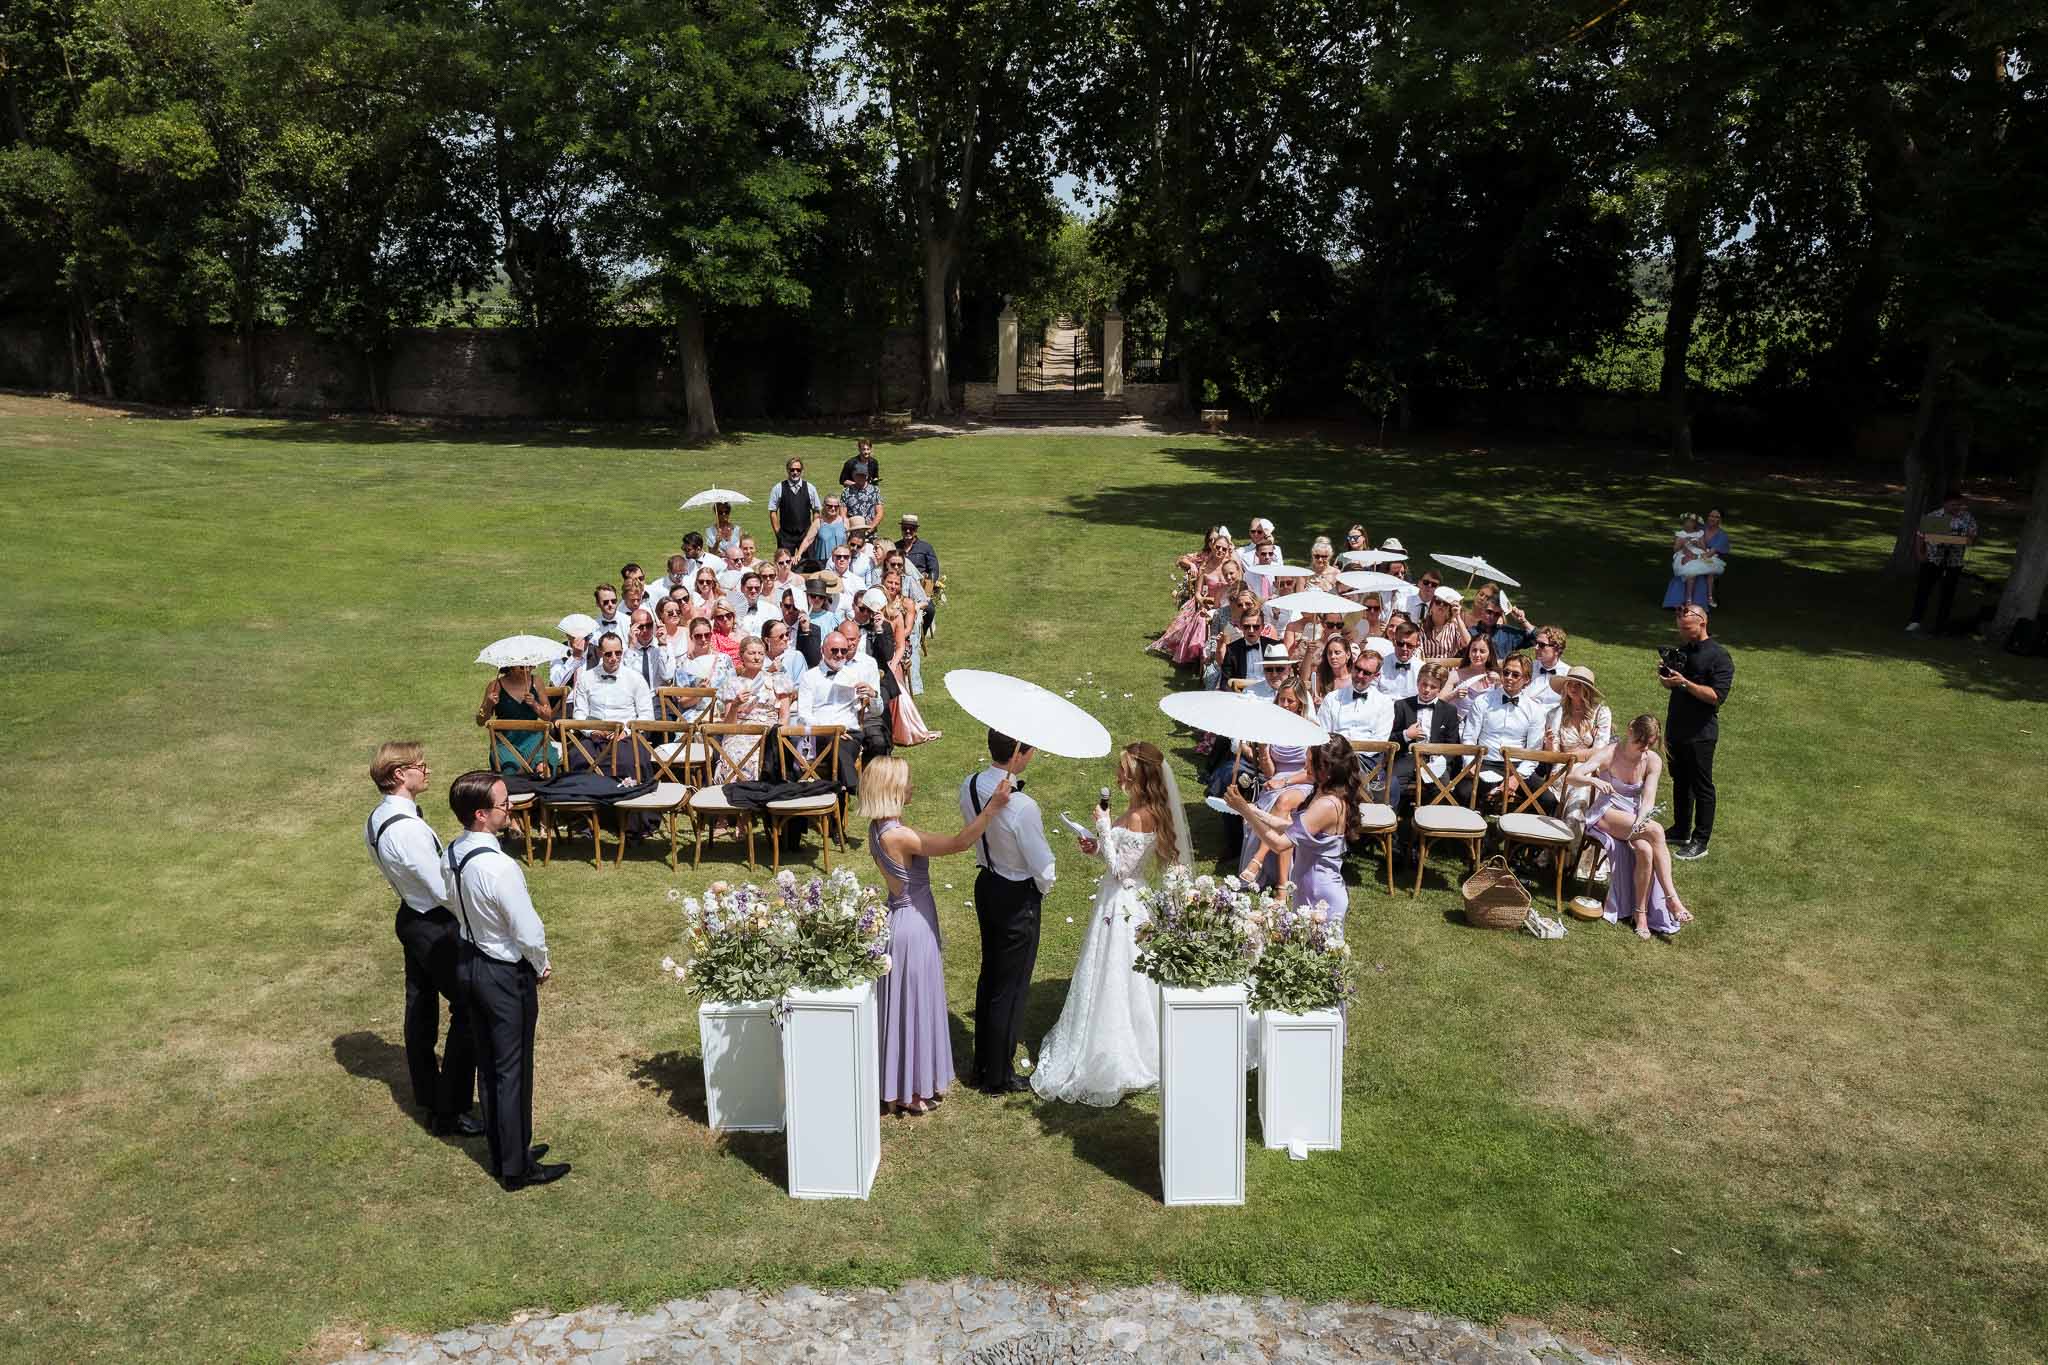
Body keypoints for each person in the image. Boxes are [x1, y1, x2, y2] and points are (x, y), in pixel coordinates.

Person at [1033, 742, 1192, 1106]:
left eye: (1123, 769)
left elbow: (1122, 871)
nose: (1118, 775)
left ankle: (1122, 1048)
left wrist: (1104, 829)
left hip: (1124, 904)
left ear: (1138, 776)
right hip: (1114, 899)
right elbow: (1118, 857)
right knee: (1108, 970)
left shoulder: (1142, 815)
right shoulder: (1135, 809)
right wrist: (1097, 844)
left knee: (1119, 974)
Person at [863, 758, 1010, 1116]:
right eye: (908, 782)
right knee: (912, 1004)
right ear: (893, 789)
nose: (913, 787)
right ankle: (908, 1090)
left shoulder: (878, 828)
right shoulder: (898, 835)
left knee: (905, 1005)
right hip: (912, 926)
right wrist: (992, 808)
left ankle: (900, 1083)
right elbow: (959, 843)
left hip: (902, 918)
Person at [445, 770, 568, 1190]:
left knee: (491, 1065)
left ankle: (506, 1149)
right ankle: (516, 1168)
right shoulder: (500, 868)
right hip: (501, 972)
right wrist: (541, 963)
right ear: (481, 815)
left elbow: (451, 903)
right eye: (503, 803)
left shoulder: (454, 852)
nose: (511, 806)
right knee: (512, 1069)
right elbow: (527, 930)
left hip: (469, 962)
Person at [365, 743, 478, 1136]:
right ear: (399, 775)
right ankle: (450, 1108)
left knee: (420, 1010)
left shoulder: (376, 818)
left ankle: (429, 1094)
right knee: (470, 1008)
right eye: (420, 766)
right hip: (433, 924)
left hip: (411, 917)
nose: (427, 771)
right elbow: (442, 889)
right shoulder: (408, 829)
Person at [960, 730, 1056, 1094]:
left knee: (991, 975)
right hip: (1016, 894)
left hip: (987, 883)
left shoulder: (969, 784)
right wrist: (1043, 886)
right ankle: (997, 1075)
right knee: (1010, 987)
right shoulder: (1023, 806)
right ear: (1020, 754)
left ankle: (982, 1063)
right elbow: (1043, 867)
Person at [1569, 716, 1694, 939]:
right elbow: (1573, 777)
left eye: (1649, 744)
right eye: (1641, 742)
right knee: (1656, 831)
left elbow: (1648, 800)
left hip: (1634, 815)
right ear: (1630, 731)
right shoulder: (1610, 753)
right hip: (1606, 813)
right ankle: (1672, 899)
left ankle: (1641, 914)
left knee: (1646, 850)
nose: (1644, 748)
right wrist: (1593, 781)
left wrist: (1639, 821)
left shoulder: (1653, 760)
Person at [1228, 737, 1369, 926]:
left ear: (1325, 768)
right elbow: (1293, 829)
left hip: (1321, 896)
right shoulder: (1325, 794)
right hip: (1308, 889)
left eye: (1309, 762)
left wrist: (1245, 811)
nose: (1305, 766)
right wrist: (1255, 811)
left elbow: (1280, 844)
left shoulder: (1328, 805)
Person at [1662, 603, 1733, 860]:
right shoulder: (1682, 651)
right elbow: (1672, 685)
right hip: (1676, 728)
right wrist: (1667, 678)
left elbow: (1716, 696)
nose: (1682, 632)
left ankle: (1700, 840)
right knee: (1680, 781)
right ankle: (1681, 829)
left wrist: (1685, 683)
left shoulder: (1719, 657)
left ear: (1702, 622)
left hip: (1701, 733)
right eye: (1680, 627)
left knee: (1702, 786)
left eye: (1687, 627)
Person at [794, 625, 891, 779]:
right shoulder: (809, 677)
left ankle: (843, 788)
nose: (839, 655)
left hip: (849, 733)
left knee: (840, 747)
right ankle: (854, 788)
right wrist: (830, 730)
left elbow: (876, 712)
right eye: (834, 650)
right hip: (821, 733)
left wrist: (873, 695)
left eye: (843, 651)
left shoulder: (854, 675)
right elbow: (804, 715)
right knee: (836, 745)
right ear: (822, 650)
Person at [1461, 653, 1547, 803]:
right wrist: (1470, 764)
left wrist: (1516, 779)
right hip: (1484, 761)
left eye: (1515, 675)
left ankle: (1518, 824)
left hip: (1516, 764)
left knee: (1547, 800)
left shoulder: (1535, 710)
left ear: (1526, 680)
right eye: (1506, 672)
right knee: (1463, 793)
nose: (1509, 677)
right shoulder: (1482, 701)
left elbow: (1533, 752)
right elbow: (1469, 738)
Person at [567, 633, 654, 778]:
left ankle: (627, 794)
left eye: (618, 653)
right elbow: (579, 714)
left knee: (628, 762)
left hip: (626, 737)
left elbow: (647, 715)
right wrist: (592, 731)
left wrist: (625, 731)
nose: (614, 658)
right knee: (577, 757)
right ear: (600, 653)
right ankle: (587, 795)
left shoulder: (635, 678)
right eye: (608, 654)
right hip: (594, 736)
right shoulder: (586, 678)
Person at [1388, 662, 1463, 812]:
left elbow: (1453, 744)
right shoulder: (1402, 706)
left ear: (1440, 689)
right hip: (1406, 757)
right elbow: (1390, 739)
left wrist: (1442, 760)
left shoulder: (1449, 711)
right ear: (1417, 683)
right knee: (1392, 784)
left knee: (1442, 788)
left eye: (1433, 687)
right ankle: (1391, 825)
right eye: (1424, 684)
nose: (1427, 690)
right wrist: (1406, 735)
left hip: (1436, 760)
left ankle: (1432, 826)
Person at [714, 637, 793, 779]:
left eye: (761, 653)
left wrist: (778, 735)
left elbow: (784, 716)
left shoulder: (776, 680)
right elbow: (728, 727)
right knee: (739, 753)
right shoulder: (732, 684)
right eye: (752, 653)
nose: (757, 658)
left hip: (770, 734)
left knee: (765, 755)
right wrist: (735, 706)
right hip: (740, 734)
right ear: (741, 656)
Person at [1908, 488, 1980, 634]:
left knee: (1948, 593)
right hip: (1933, 559)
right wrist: (1920, 553)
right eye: (1954, 505)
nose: (1957, 508)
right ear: (1945, 504)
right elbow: (1921, 536)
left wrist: (1947, 539)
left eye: (1959, 505)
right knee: (1923, 590)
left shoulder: (1967, 518)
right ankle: (1915, 620)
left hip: (1954, 562)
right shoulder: (1934, 516)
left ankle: (1941, 624)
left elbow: (1971, 539)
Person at [882, 597, 941, 745]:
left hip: (900, 648)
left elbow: (907, 631)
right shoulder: (877, 610)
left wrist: (893, 642)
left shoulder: (905, 604)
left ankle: (906, 728)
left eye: (895, 583)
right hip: (883, 651)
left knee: (895, 680)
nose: (892, 586)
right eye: (889, 583)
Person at [1316, 644, 1394, 747]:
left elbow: (1380, 741)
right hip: (1335, 755)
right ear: (1353, 666)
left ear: (1376, 676)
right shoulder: (1331, 699)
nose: (1359, 675)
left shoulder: (1384, 703)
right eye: (1357, 669)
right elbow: (1322, 733)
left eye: (1366, 673)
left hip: (1366, 757)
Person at [1663, 513, 1722, 612]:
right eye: (1687, 522)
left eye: (1691, 522)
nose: (1688, 524)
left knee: (1707, 570)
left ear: (1695, 524)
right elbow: (1676, 549)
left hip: (1698, 553)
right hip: (1684, 554)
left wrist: (1697, 543)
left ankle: (1706, 598)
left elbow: (1703, 548)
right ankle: (1687, 600)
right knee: (1690, 570)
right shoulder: (1680, 534)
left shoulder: (1699, 533)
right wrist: (1683, 543)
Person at [768, 456, 822, 559]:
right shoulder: (778, 488)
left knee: (808, 564)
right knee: (784, 564)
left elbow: (816, 511)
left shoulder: (810, 488)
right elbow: (773, 511)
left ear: (802, 471)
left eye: (798, 470)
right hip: (786, 535)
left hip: (805, 534)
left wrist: (813, 531)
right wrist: (778, 532)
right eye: (792, 470)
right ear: (787, 470)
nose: (795, 472)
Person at [898, 514, 940, 636]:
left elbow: (934, 569)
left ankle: (922, 633)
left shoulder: (926, 548)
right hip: (900, 589)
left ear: (916, 530)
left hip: (920, 588)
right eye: (905, 528)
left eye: (911, 528)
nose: (908, 531)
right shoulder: (895, 547)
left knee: (930, 610)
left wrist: (928, 587)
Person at [622, 610, 675, 690]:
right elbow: (627, 679)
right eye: (640, 626)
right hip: (636, 698)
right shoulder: (626, 650)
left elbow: (667, 676)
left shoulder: (665, 646)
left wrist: (662, 644)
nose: (645, 630)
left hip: (658, 697)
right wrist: (631, 647)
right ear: (631, 628)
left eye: (649, 625)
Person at [1376, 625, 1423, 700]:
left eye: (1409, 645)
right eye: (1400, 644)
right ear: (1394, 642)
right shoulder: (1380, 664)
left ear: (1417, 645)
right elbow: (1372, 690)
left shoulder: (1421, 669)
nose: (1404, 649)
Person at [810, 495, 850, 567]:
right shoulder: (818, 522)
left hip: (842, 561)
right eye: (830, 506)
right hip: (822, 563)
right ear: (824, 506)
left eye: (836, 506)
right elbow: (808, 540)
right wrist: (798, 554)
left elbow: (851, 541)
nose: (833, 508)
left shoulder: (845, 521)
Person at [1702, 509, 1730, 609]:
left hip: (1712, 558)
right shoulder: (1701, 529)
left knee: (1709, 569)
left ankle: (1709, 598)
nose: (1712, 519)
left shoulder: (1722, 536)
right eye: (1711, 516)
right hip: (1697, 554)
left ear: (1720, 520)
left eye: (1716, 517)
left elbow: (1711, 553)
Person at [843, 464, 882, 529]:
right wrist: (848, 528)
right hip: (852, 531)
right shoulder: (846, 492)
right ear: (853, 475)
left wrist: (871, 527)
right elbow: (843, 514)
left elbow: (879, 512)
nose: (860, 478)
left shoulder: (875, 491)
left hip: (870, 532)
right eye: (858, 475)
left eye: (863, 475)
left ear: (867, 476)